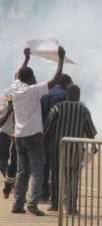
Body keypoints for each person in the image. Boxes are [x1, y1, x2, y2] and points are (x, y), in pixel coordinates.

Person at [8, 46, 66, 216]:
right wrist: (61, 59)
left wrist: (26, 58)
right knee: (37, 170)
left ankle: (18, 204)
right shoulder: (32, 91)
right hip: (33, 134)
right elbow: (55, 80)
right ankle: (32, 204)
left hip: (19, 135)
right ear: (29, 78)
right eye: (33, 76)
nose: (35, 78)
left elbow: (19, 74)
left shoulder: (15, 87)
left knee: (21, 171)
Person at [43, 85, 97, 212]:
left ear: (66, 95)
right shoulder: (84, 110)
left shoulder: (57, 108)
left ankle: (55, 204)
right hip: (75, 150)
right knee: (73, 178)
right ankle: (72, 207)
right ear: (78, 96)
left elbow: (47, 129)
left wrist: (44, 145)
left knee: (56, 176)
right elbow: (90, 132)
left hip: (58, 148)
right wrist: (94, 146)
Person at [39, 73, 73, 203]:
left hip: (46, 134)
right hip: (62, 136)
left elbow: (41, 114)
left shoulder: (46, 94)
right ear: (66, 83)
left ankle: (43, 195)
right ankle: (57, 196)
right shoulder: (65, 95)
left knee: (45, 165)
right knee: (59, 168)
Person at [0, 90, 16, 199]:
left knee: (5, 160)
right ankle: (9, 183)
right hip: (11, 133)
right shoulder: (4, 101)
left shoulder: (7, 95)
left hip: (8, 133)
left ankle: (9, 183)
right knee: (6, 160)